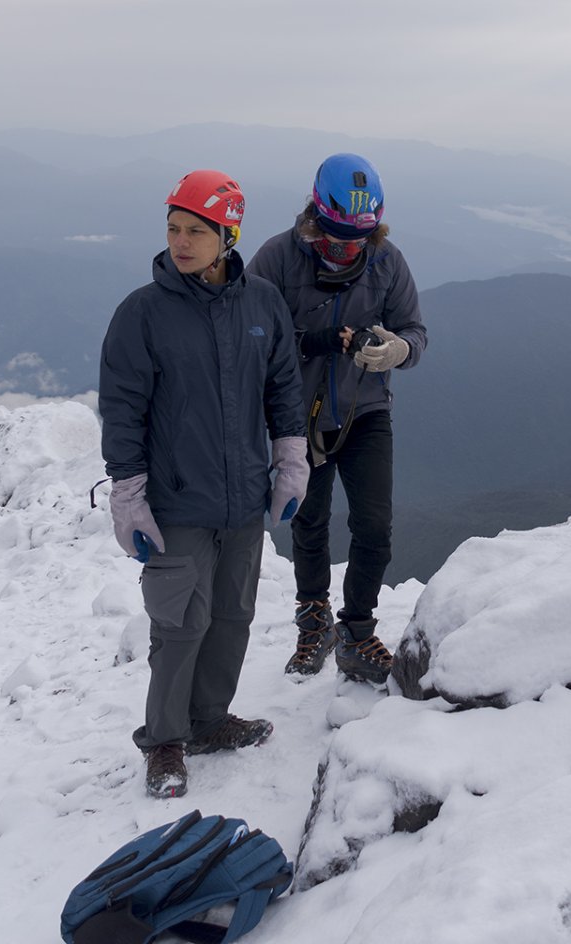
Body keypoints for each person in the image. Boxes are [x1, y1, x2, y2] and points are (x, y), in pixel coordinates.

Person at [99, 169, 310, 799]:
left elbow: (283, 385)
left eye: (196, 230)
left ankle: (210, 721)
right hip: (176, 501)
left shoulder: (262, 303)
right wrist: (128, 494)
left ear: (229, 234)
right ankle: (165, 741)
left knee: (231, 616)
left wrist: (290, 458)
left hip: (243, 496)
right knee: (179, 624)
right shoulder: (143, 313)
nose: (180, 242)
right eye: (173, 228)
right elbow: (123, 407)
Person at [248, 153, 427, 686]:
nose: (344, 248)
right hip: (298, 414)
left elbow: (415, 331)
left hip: (364, 409)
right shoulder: (278, 260)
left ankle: (356, 631)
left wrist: (398, 350)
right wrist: (318, 342)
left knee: (374, 524)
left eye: (356, 241)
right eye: (333, 236)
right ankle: (313, 618)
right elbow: (252, 337)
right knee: (310, 518)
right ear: (314, 214)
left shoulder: (387, 261)